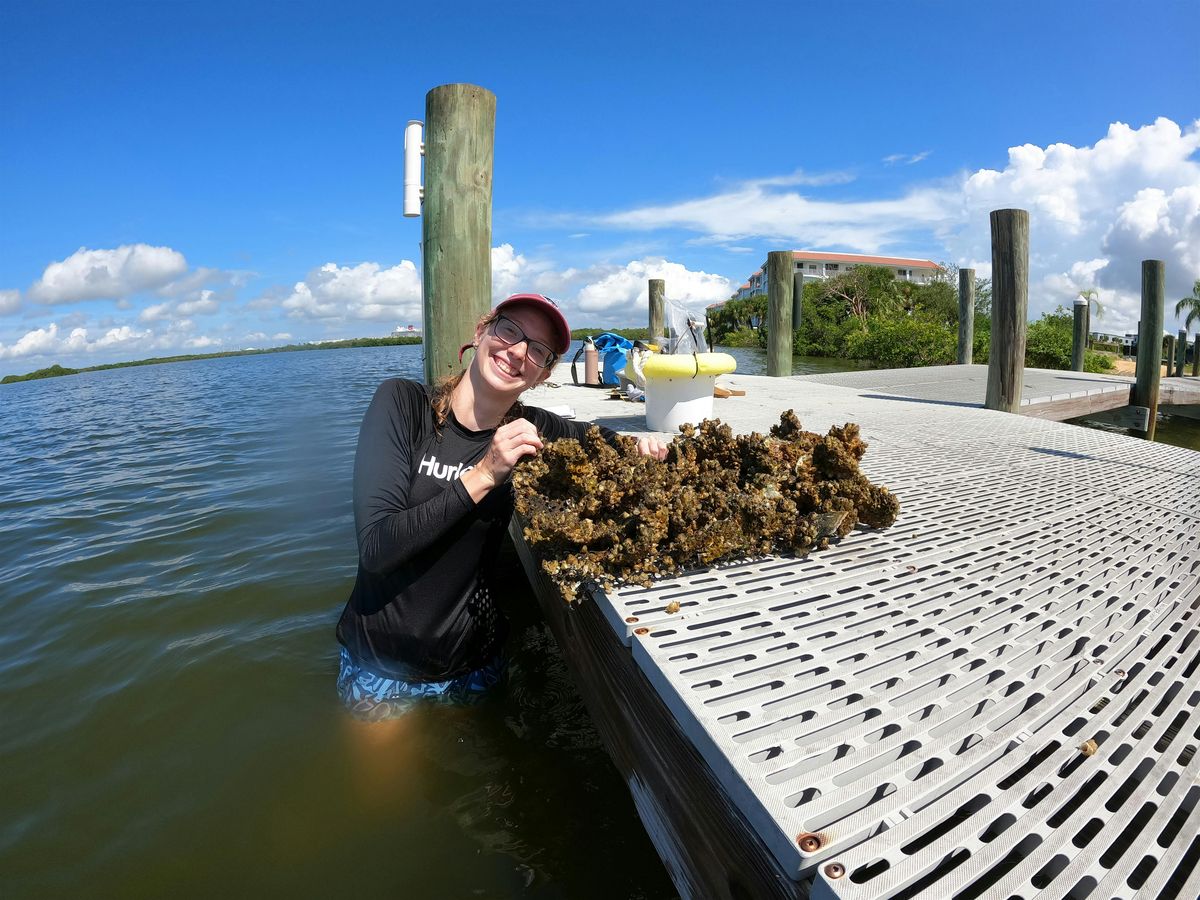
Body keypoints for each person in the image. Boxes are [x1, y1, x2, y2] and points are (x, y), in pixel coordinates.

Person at [335, 293, 668, 720]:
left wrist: (640, 445)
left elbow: (601, 442)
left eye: (538, 350)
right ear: (481, 332)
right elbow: (377, 549)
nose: (517, 351)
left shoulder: (530, 428)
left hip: (475, 666)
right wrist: (485, 474)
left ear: (543, 374)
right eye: (510, 330)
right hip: (381, 666)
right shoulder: (402, 405)